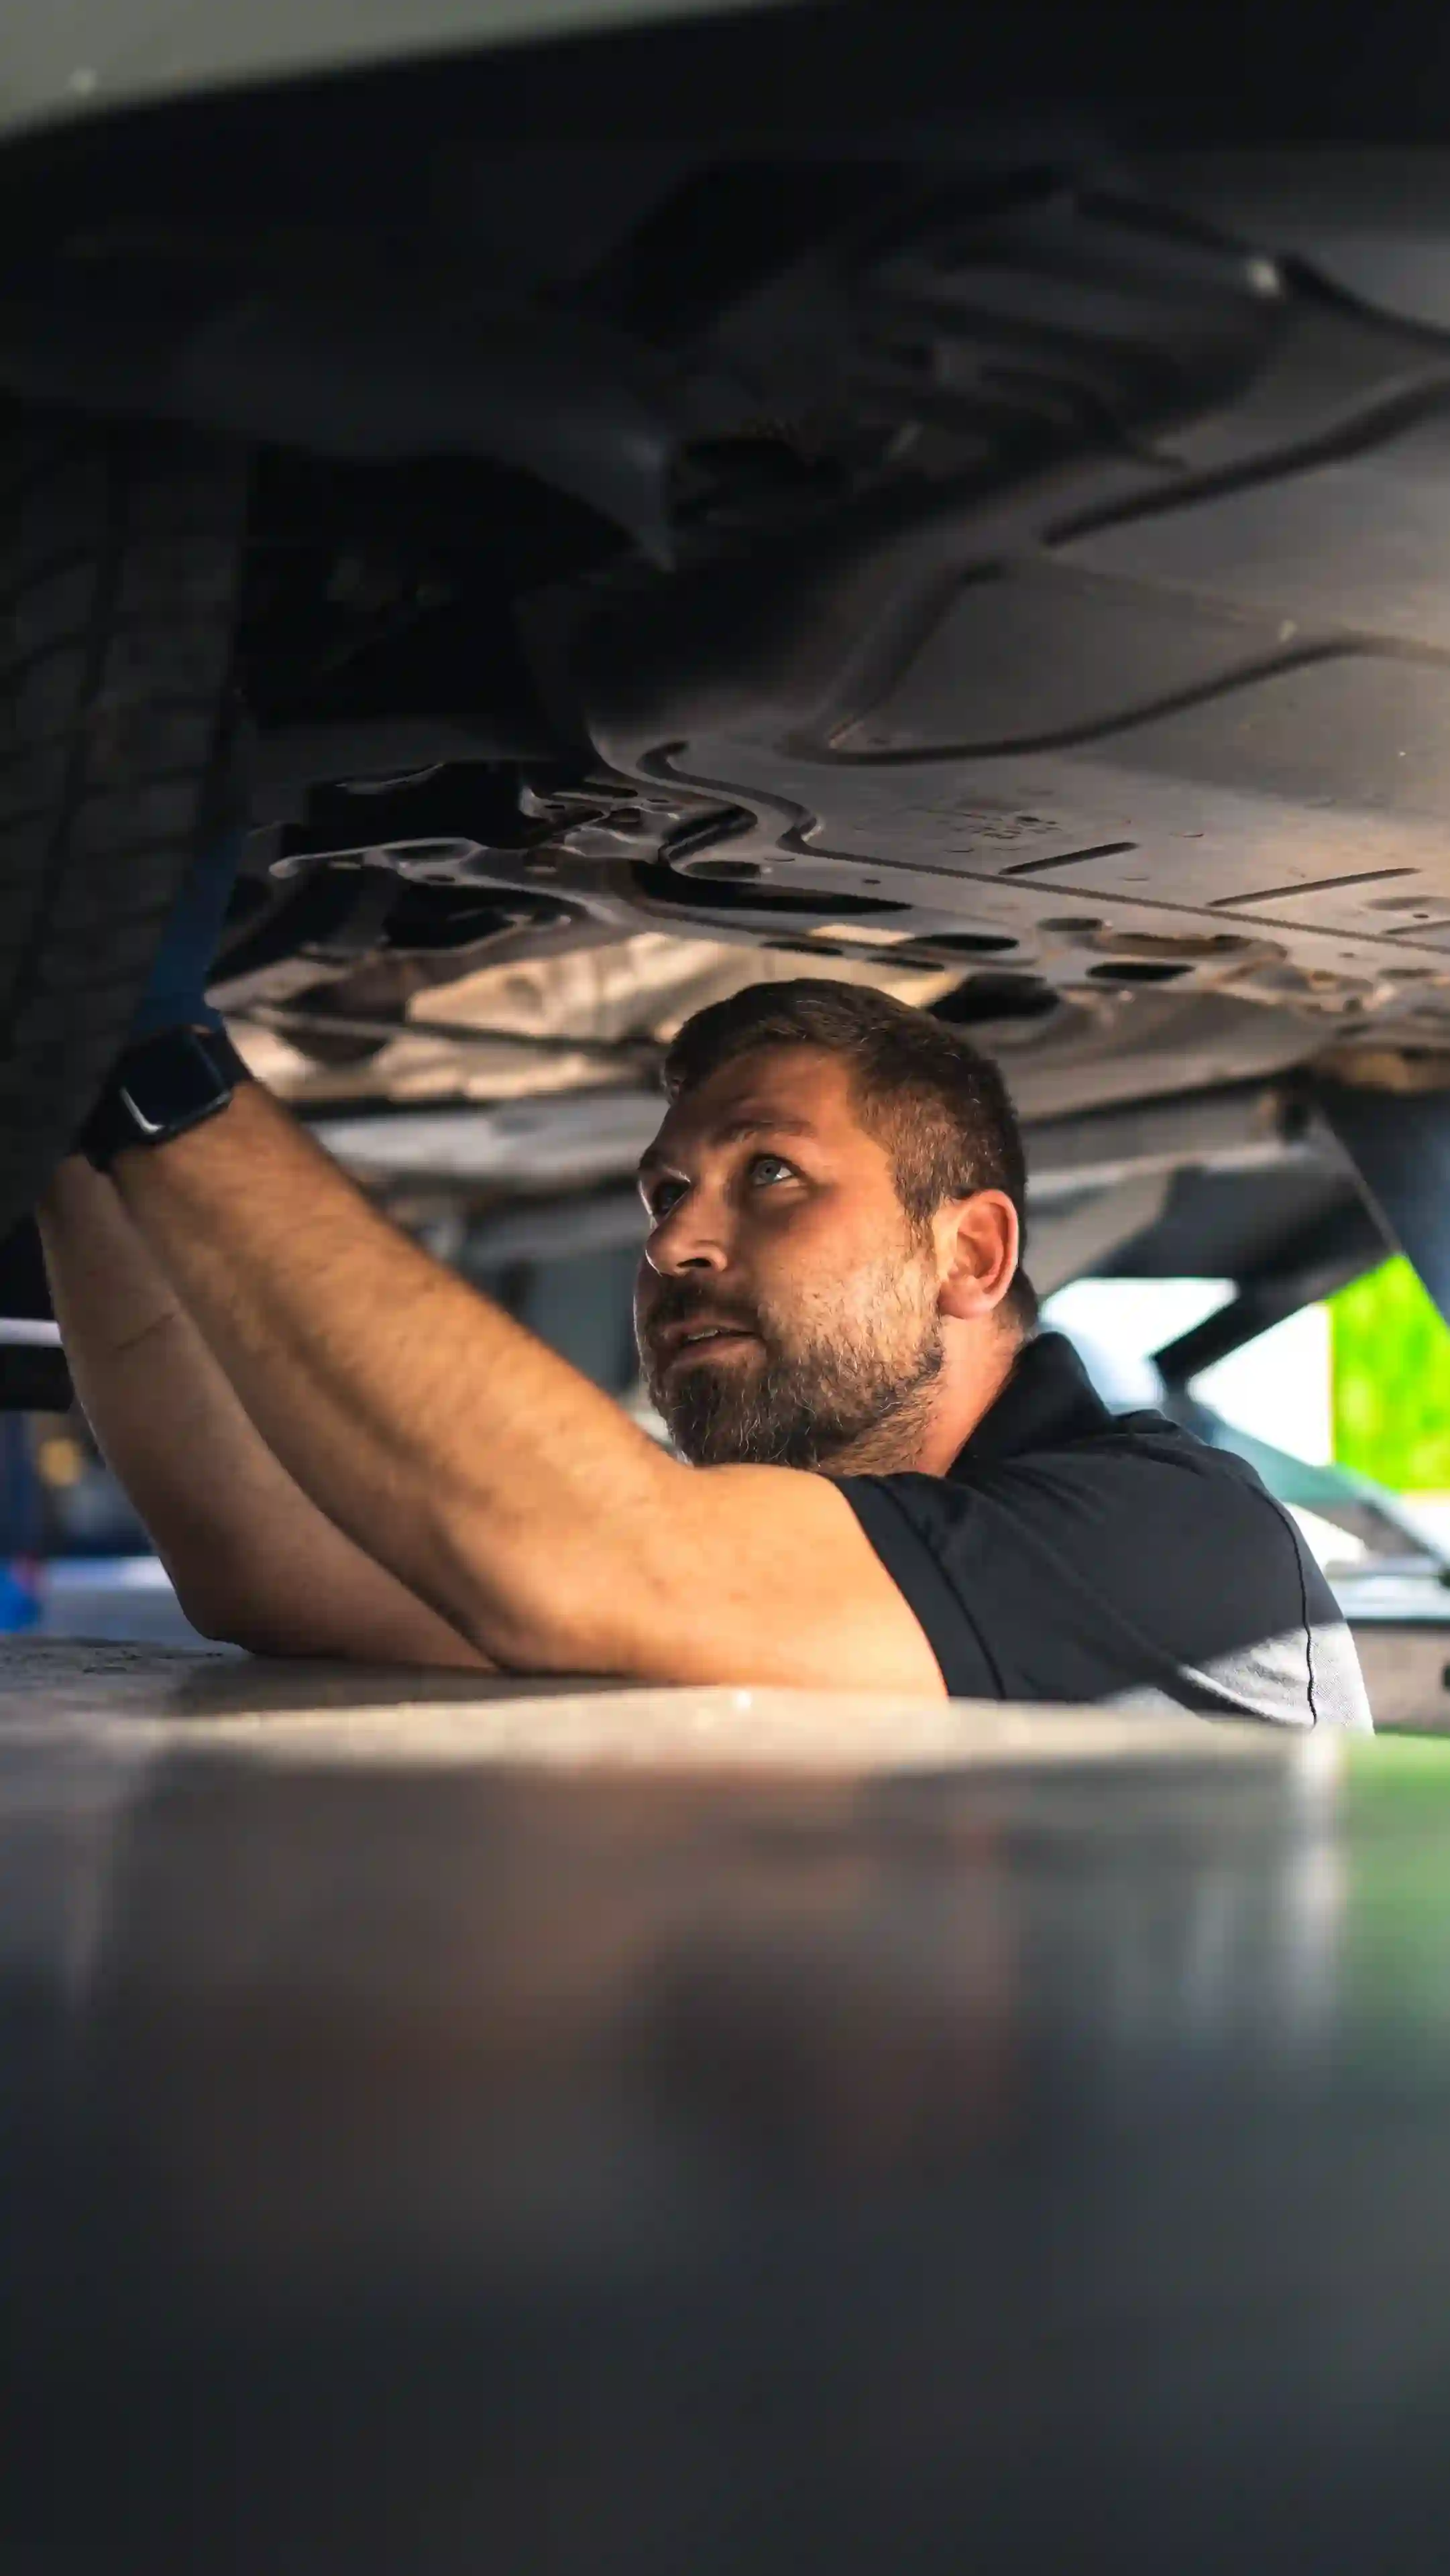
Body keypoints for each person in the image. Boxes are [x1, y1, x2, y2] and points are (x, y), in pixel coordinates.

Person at [38, 837, 1371, 1725]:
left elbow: (591, 1556)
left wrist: (165, 1066)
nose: (676, 1241)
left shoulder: (1173, 1539)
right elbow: (272, 1562)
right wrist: (73, 1088)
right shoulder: (793, 1547)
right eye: (666, 1193)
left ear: (970, 1253)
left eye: (771, 1175)